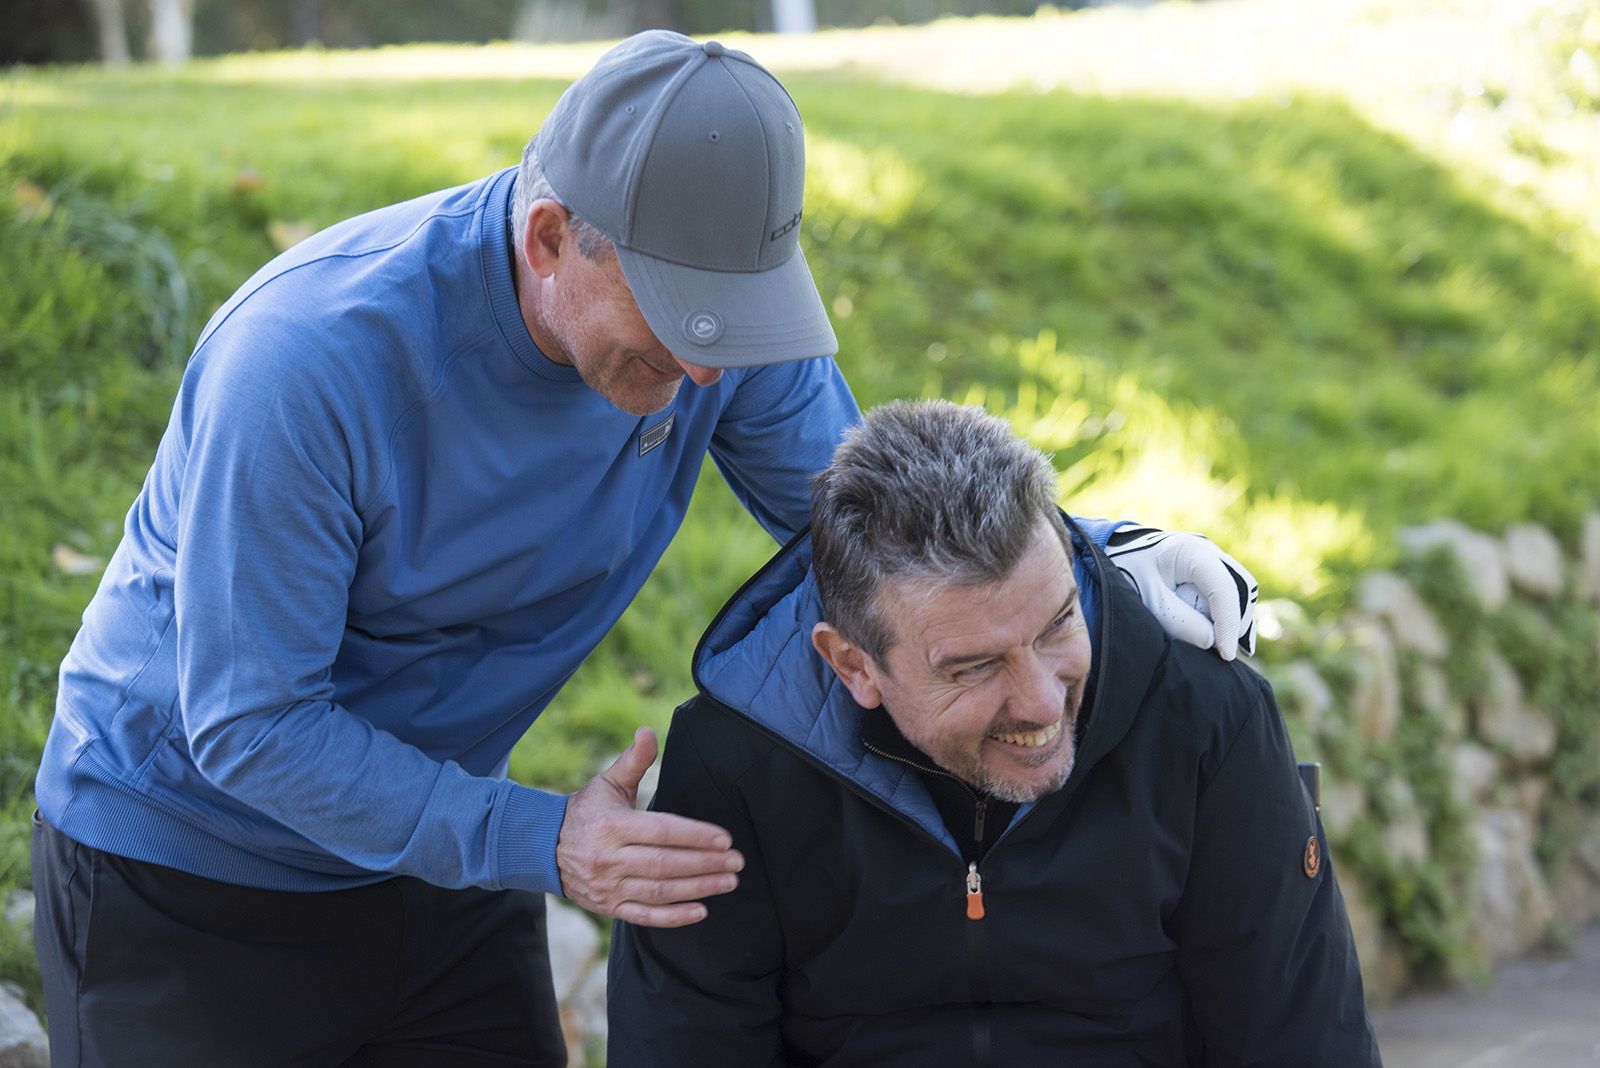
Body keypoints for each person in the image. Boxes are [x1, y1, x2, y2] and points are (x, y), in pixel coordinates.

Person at [31, 32, 1257, 1068]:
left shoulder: (717, 328)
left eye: (735, 324)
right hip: (186, 880)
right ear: (550, 239)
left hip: (445, 860)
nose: (712, 372)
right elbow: (251, 723)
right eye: (678, 323)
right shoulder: (307, 365)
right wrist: (542, 839)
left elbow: (881, 536)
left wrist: (1094, 556)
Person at [608, 399, 1380, 1067]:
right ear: (853, 664)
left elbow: (1301, 1044)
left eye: (1058, 624)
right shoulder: (736, 764)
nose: (1041, 703)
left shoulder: (1207, 716)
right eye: (975, 667)